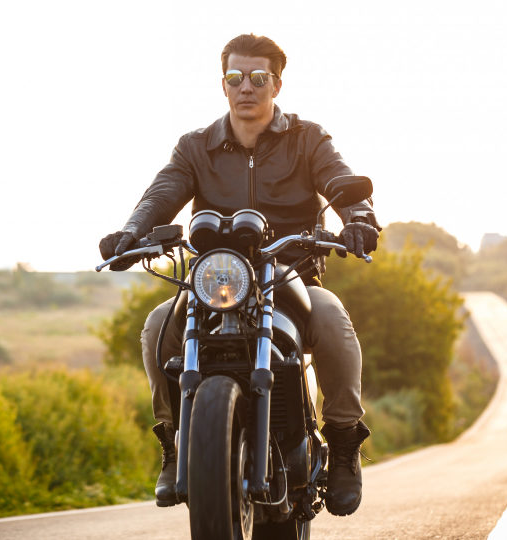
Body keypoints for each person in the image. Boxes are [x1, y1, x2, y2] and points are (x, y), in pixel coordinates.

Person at [98, 33, 380, 517]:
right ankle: (174, 442)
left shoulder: (307, 139)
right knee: (157, 327)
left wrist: (358, 218)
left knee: (334, 322)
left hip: (292, 276)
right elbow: (161, 194)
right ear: (223, 84)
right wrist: (131, 232)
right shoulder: (195, 147)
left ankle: (343, 443)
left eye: (257, 78)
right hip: (215, 281)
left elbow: (338, 178)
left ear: (277, 84)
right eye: (234, 77)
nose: (245, 87)